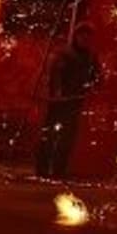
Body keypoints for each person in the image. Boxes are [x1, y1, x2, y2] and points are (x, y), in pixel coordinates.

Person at [36, 23, 100, 178]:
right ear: (76, 36)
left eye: (88, 37)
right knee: (50, 135)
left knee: (67, 137)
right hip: (58, 101)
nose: (85, 40)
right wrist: (57, 93)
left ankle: (59, 170)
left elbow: (96, 76)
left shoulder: (91, 57)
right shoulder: (64, 54)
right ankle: (43, 169)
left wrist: (93, 88)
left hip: (75, 101)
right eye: (82, 36)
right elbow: (55, 75)